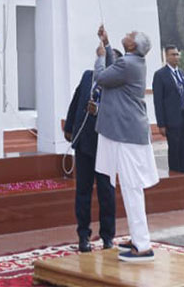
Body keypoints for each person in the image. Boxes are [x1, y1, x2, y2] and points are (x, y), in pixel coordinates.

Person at [92, 23, 160, 261]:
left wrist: (100, 57)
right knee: (130, 187)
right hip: (125, 131)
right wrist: (108, 45)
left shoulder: (128, 64)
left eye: (131, 34)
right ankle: (137, 236)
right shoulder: (132, 62)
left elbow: (102, 76)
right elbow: (116, 68)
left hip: (126, 133)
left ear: (133, 45)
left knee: (131, 188)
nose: (128, 33)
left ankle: (142, 246)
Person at [61, 63, 116, 252]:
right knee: (83, 192)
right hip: (84, 143)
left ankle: (107, 236)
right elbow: (76, 101)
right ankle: (83, 235)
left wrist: (98, 110)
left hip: (105, 144)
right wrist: (69, 128)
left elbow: (119, 112)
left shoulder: (116, 83)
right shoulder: (87, 77)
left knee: (106, 192)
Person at [151, 45, 184, 202]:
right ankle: (175, 191)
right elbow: (158, 102)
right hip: (171, 121)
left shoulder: (182, 74)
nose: (176, 57)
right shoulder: (160, 75)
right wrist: (161, 123)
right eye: (173, 54)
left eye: (177, 54)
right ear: (166, 56)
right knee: (175, 155)